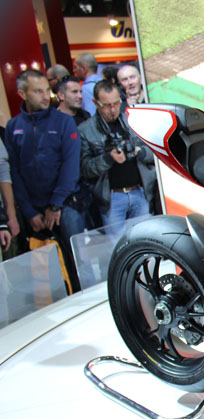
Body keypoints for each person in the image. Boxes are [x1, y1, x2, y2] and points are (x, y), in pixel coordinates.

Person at [4, 70, 92, 286]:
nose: (46, 96)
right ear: (22, 94)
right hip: (34, 211)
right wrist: (28, 211)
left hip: (66, 205)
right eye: (38, 91)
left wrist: (55, 205)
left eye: (46, 90)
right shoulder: (13, 127)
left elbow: (70, 167)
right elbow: (14, 172)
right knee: (44, 270)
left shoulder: (64, 122)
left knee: (78, 263)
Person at [79, 79, 156, 232]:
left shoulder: (132, 122)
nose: (113, 109)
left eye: (116, 103)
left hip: (140, 192)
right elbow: (85, 168)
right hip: (111, 199)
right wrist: (108, 158)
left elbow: (153, 153)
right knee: (117, 243)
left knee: (145, 239)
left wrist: (138, 151)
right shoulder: (85, 130)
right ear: (95, 103)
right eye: (107, 105)